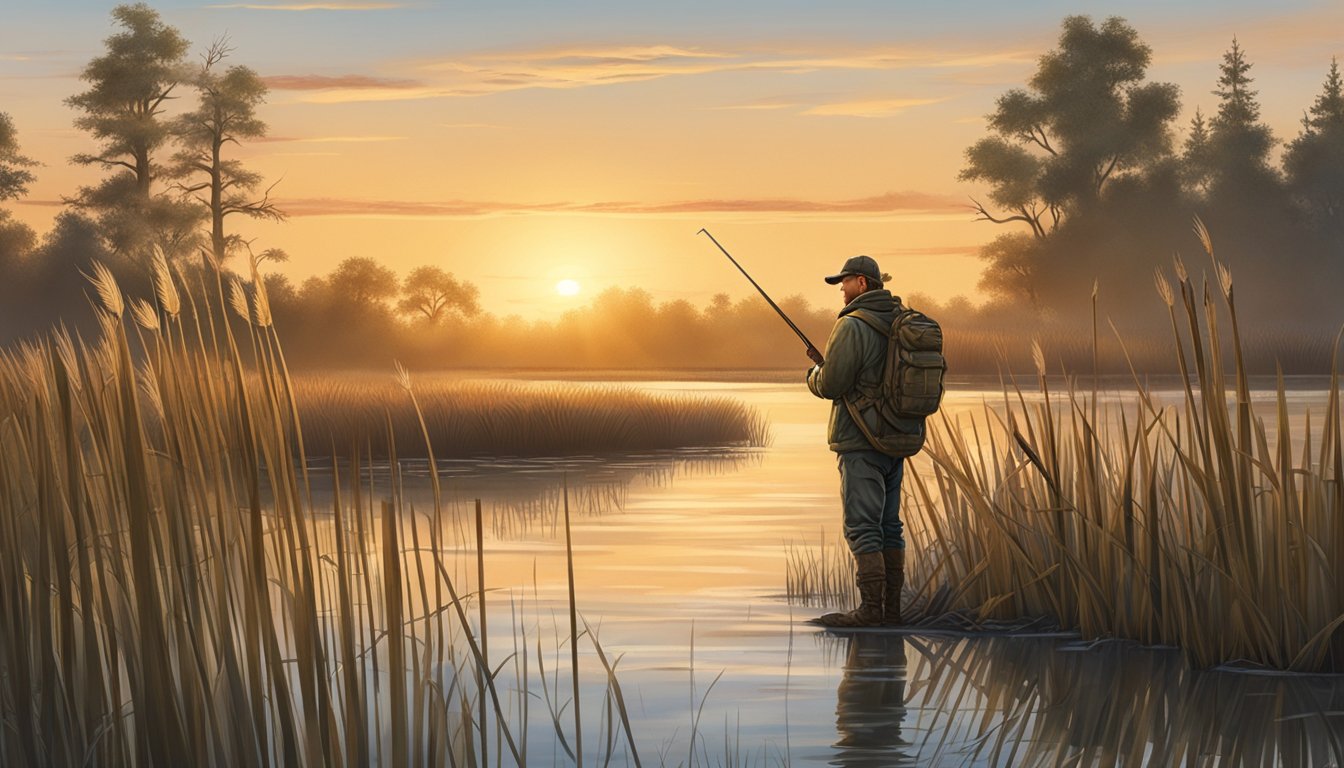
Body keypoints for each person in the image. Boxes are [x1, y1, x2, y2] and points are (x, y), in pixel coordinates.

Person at [805, 255, 905, 628]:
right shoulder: (898, 320)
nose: (841, 291)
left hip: (860, 439)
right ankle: (891, 610)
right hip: (896, 438)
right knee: (889, 525)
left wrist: (814, 373)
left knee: (863, 526)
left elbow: (832, 385)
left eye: (844, 283)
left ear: (862, 283)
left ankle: (871, 612)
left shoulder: (852, 325)